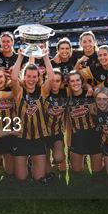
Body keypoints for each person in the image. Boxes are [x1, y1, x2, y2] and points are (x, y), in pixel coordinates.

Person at [10, 49, 54, 181]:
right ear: (24, 76)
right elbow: (13, 77)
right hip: (20, 137)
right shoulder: (19, 90)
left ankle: (32, 162)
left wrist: (46, 57)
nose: (31, 79)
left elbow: (51, 77)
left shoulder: (43, 91)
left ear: (38, 77)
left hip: (38, 137)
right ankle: (27, 161)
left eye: (34, 76)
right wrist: (20, 56)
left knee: (39, 177)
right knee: (21, 178)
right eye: (28, 76)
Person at [66, 70, 103, 174]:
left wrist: (89, 87)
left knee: (97, 171)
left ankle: (104, 159)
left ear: (82, 82)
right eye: (72, 81)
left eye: (78, 80)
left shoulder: (92, 94)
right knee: (76, 171)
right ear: (68, 83)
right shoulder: (67, 97)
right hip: (78, 137)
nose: (75, 83)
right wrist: (68, 141)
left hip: (94, 135)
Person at [42, 69, 68, 174]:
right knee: (46, 170)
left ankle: (58, 160)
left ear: (61, 82)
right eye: (52, 80)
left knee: (58, 158)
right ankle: (37, 160)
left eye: (57, 81)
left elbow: (80, 83)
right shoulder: (43, 93)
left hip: (57, 132)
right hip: (42, 133)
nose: (54, 83)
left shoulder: (65, 93)